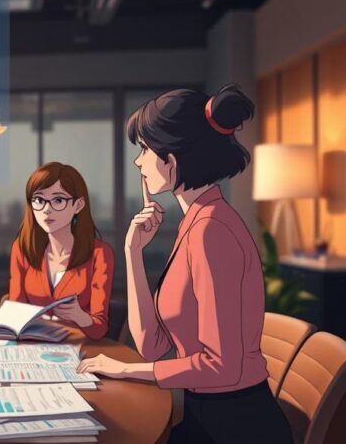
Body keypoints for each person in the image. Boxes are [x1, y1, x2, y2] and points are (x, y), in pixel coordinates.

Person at [77, 84, 293, 444]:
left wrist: (128, 369)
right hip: (203, 413)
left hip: (236, 427)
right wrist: (133, 252)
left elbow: (221, 366)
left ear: (172, 158)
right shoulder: (194, 224)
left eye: (145, 150)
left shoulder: (212, 231)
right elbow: (152, 345)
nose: (138, 162)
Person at [5, 162, 115, 340]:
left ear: (78, 205)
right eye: (39, 200)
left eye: (58, 200)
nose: (47, 210)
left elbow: (99, 329)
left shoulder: (99, 254)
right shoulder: (23, 248)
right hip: (32, 347)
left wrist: (80, 316)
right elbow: (16, 312)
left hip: (78, 349)